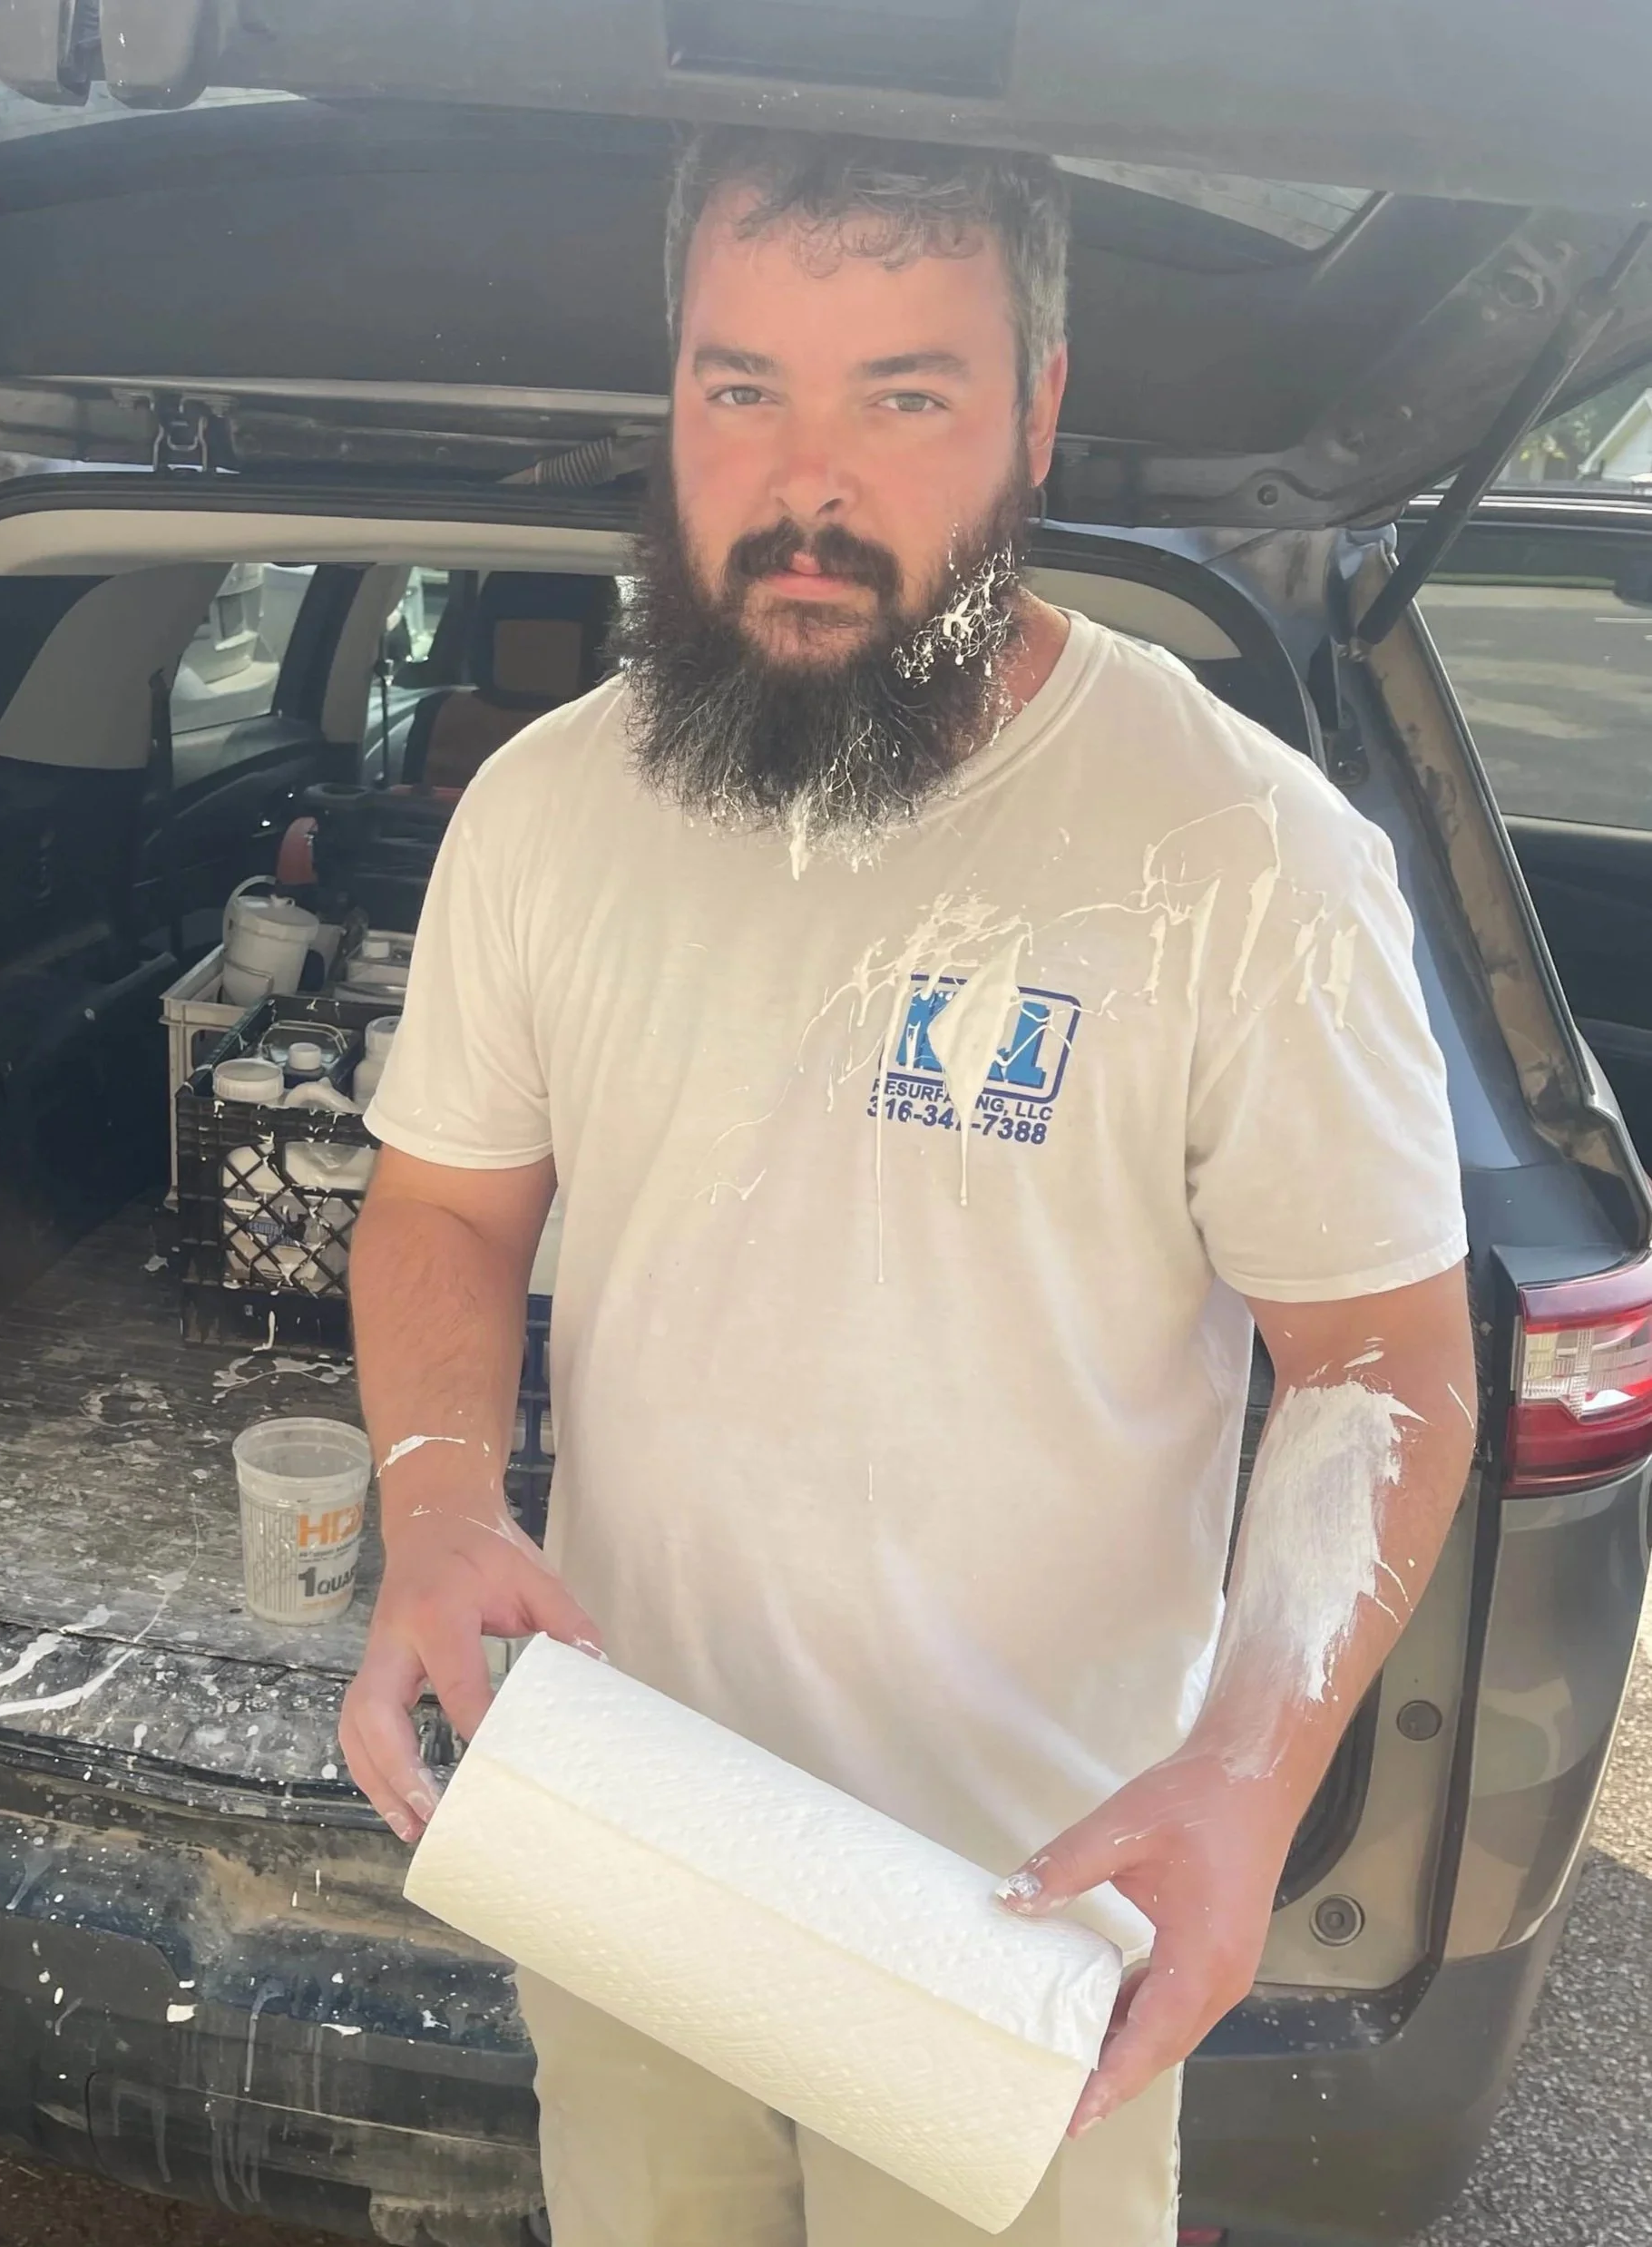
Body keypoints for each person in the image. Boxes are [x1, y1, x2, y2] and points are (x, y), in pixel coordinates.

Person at [340, 128, 1475, 2247]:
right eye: (740, 383)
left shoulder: (1237, 857)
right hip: (629, 1824)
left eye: (906, 394)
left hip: (1021, 1899)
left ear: (1037, 407)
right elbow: (445, 1205)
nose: (803, 480)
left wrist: (1247, 1776)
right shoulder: (541, 807)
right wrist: (433, 1494)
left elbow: (1380, 1364)